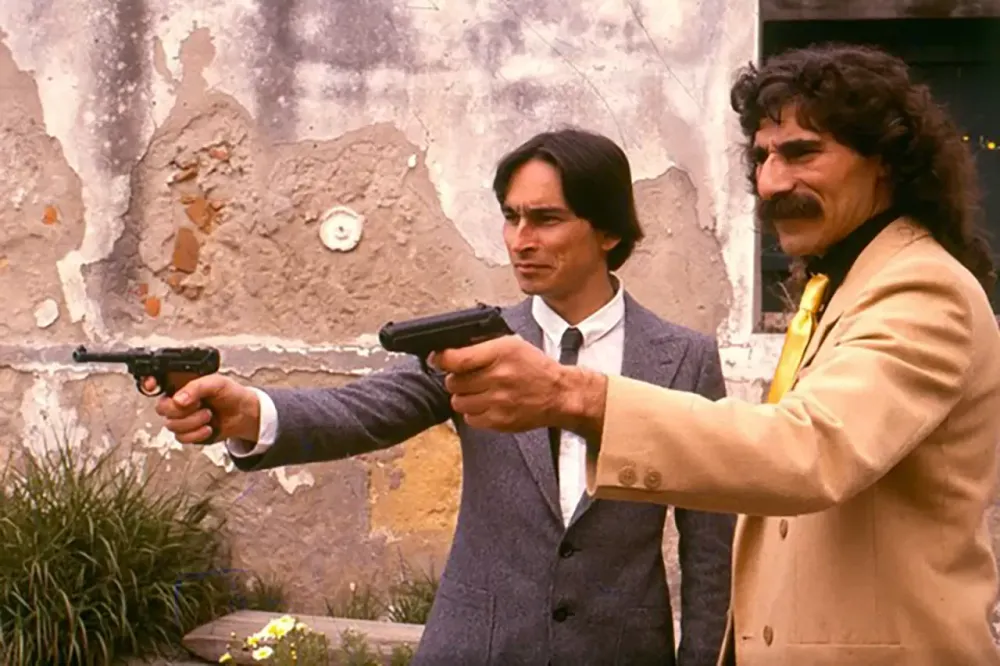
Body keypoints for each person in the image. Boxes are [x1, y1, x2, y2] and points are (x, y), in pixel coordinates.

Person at [431, 44, 1000, 666]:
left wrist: (575, 395)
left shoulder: (920, 288)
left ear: (885, 161)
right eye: (761, 157)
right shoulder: (844, 285)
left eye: (802, 153)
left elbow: (808, 448)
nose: (771, 183)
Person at [153, 128, 736, 665]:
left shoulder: (683, 360)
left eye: (546, 219)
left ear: (608, 230)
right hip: (475, 648)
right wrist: (250, 412)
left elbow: (710, 551)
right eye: (511, 217)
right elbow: (362, 411)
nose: (520, 240)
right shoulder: (476, 342)